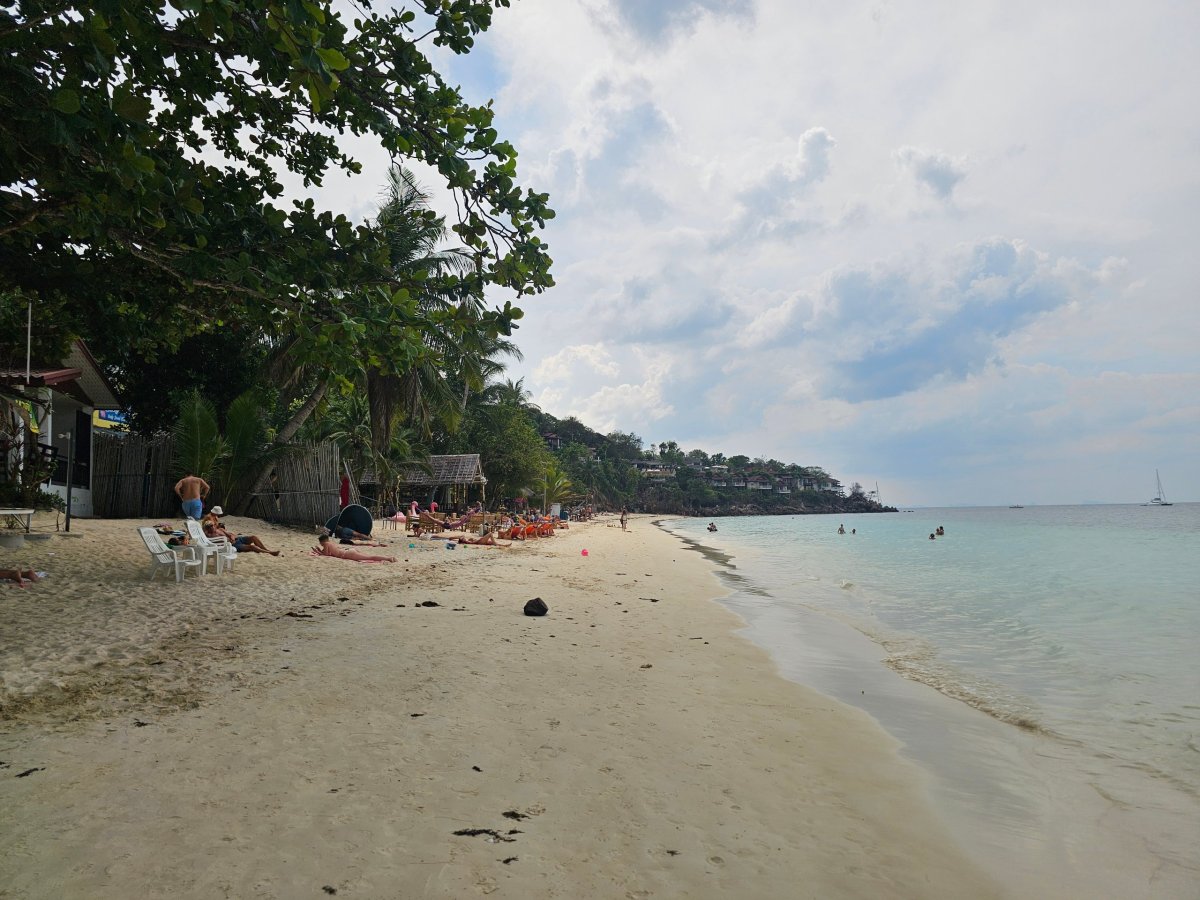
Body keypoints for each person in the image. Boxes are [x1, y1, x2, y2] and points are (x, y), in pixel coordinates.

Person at [204, 511, 281, 555]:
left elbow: (230, 534)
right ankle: (270, 552)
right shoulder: (210, 535)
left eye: (212, 525)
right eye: (209, 526)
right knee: (252, 547)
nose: (212, 527)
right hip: (234, 545)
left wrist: (232, 537)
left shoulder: (220, 529)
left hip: (238, 539)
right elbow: (212, 541)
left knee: (254, 537)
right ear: (207, 528)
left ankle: (266, 550)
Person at [315, 534, 396, 562]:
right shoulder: (330, 543)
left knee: (370, 557)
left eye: (320, 543)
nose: (321, 544)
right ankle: (388, 558)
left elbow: (325, 554)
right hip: (348, 551)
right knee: (369, 556)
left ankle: (389, 558)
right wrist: (319, 550)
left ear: (322, 541)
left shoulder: (326, 544)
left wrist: (318, 552)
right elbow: (329, 553)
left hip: (347, 554)